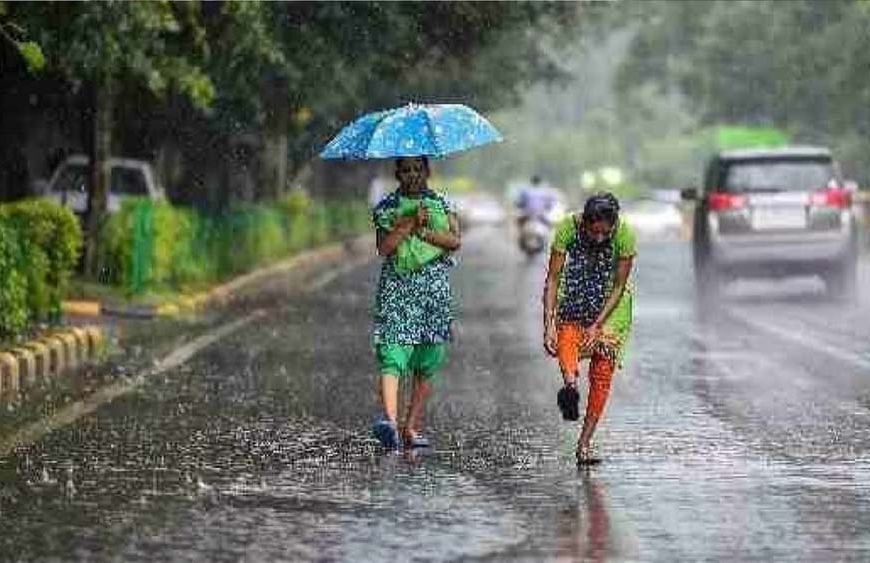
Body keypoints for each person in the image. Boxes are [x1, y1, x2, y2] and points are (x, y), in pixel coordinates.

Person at [370, 156, 461, 450]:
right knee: (392, 352)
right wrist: (408, 223)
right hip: (398, 290)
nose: (412, 175)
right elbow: (384, 248)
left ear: (427, 171)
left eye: (418, 169)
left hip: (433, 292)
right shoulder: (387, 207)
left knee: (427, 360)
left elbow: (454, 241)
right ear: (397, 173)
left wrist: (424, 230)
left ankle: (409, 427)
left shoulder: (442, 203)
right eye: (406, 170)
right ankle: (389, 422)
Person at [541, 192, 636, 465]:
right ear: (584, 222)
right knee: (566, 338)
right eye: (594, 232)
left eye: (605, 233)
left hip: (612, 305)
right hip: (575, 293)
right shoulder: (567, 228)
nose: (598, 238)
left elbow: (619, 286)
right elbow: (553, 278)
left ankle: (584, 444)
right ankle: (570, 386)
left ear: (614, 226)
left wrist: (597, 325)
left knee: (602, 372)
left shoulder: (625, 234)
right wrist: (548, 324)